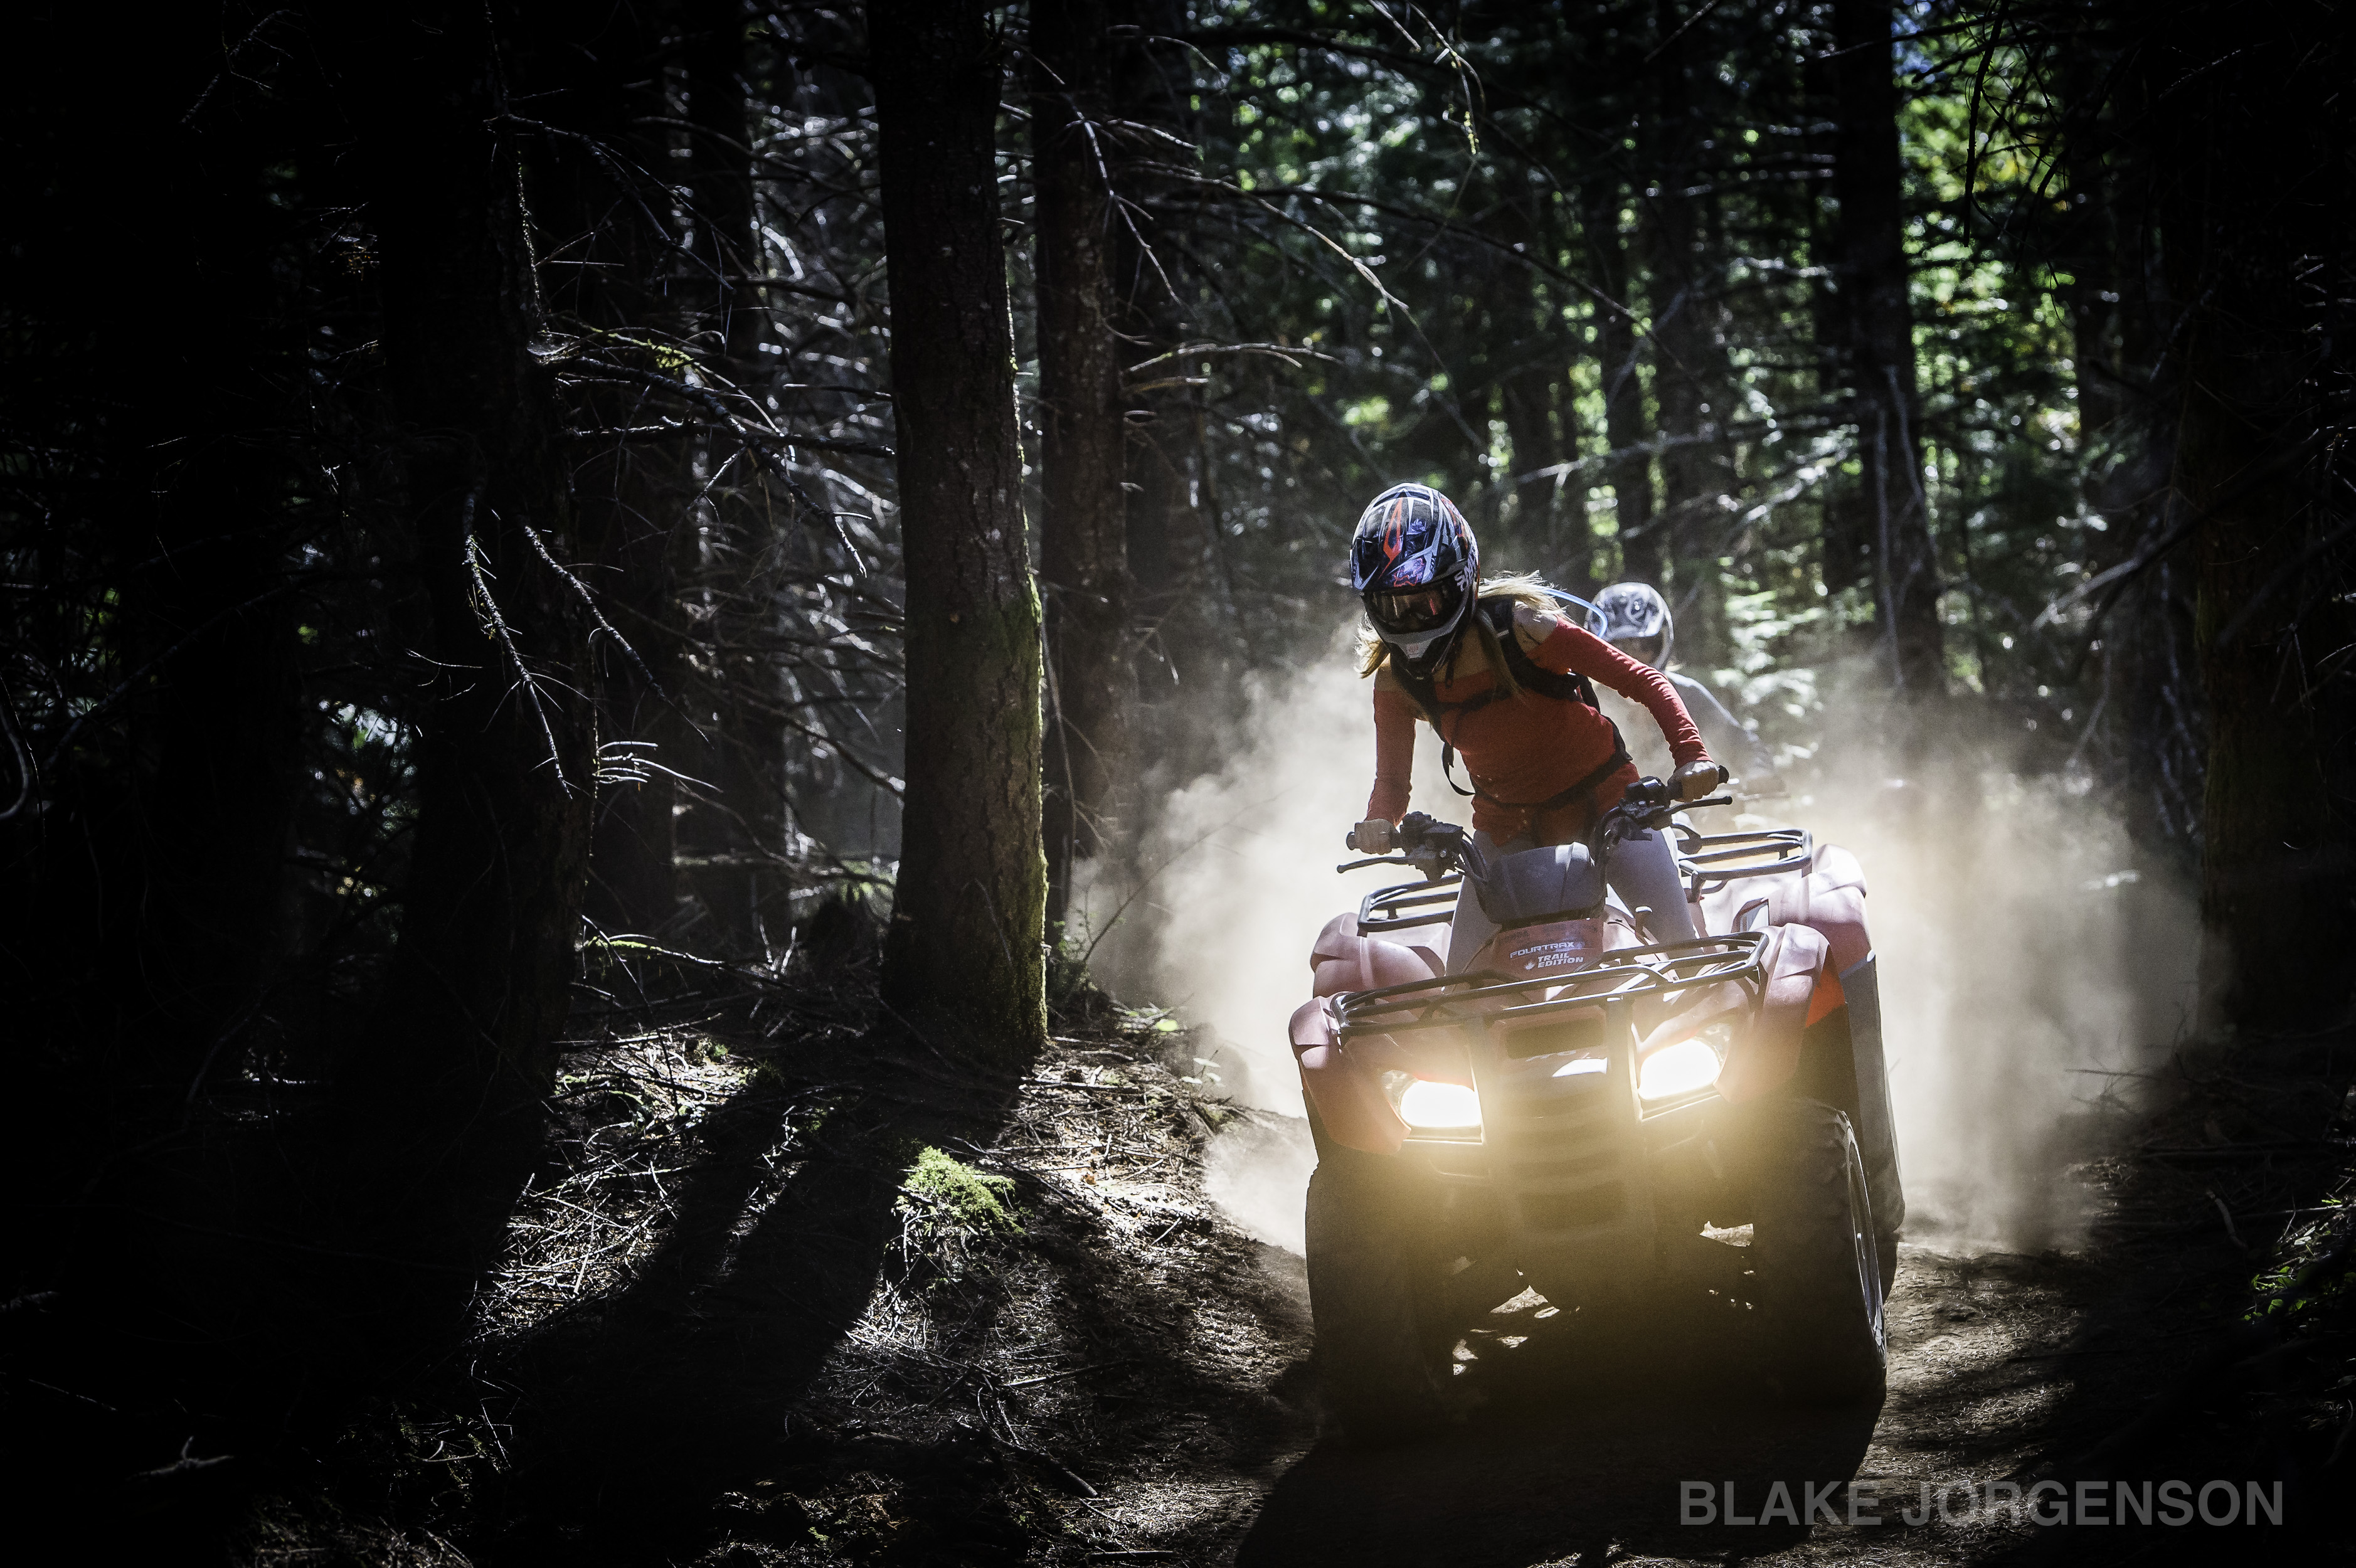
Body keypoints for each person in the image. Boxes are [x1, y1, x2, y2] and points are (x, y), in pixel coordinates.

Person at [1345, 484, 1722, 969]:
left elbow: (1644, 680)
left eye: (1426, 602)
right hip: (1506, 828)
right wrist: (1380, 820)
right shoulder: (1396, 680)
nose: (1411, 619)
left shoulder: (1524, 628)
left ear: (1461, 583)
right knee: (1461, 985)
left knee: (1683, 952)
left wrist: (1692, 756)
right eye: (1393, 606)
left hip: (1611, 808)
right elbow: (1392, 785)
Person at [1589, 581, 1783, 798]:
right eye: (1616, 648)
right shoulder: (1589, 704)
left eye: (1643, 646)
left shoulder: (1687, 694)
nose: (1630, 657)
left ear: (1662, 642)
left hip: (1691, 810)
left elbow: (1739, 743)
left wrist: (1759, 772)